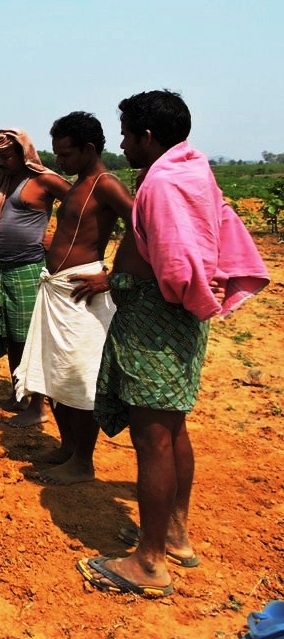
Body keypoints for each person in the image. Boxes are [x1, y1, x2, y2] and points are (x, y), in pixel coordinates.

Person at [77, 90, 268, 597]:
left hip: (157, 322)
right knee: (173, 427)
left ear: (148, 136)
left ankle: (149, 561)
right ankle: (175, 535)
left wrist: (131, 285)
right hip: (175, 321)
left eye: (126, 135)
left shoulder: (162, 182)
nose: (121, 143)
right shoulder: (190, 169)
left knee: (153, 439)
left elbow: (178, 263)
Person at [13, 112, 133, 484]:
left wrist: (111, 276)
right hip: (58, 289)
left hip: (82, 292)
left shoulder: (106, 184)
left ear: (89, 149)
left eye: (65, 155)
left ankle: (83, 461)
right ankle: (67, 447)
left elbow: (142, 227)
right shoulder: (79, 183)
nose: (59, 163)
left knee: (80, 377)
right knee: (57, 373)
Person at [0, 129, 69, 424]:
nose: (2, 162)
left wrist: (60, 239)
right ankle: (20, 395)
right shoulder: (4, 182)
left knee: (32, 339)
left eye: (7, 156)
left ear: (23, 153)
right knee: (14, 339)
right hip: (5, 270)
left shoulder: (43, 180)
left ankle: (38, 407)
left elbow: (82, 205)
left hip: (29, 269)